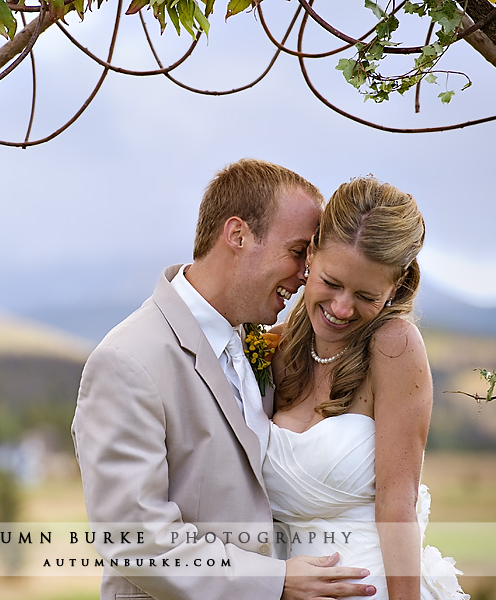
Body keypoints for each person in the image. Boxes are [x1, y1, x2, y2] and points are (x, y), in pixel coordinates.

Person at [71, 159, 377, 600]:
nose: (306, 274)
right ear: (238, 235)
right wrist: (275, 581)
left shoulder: (258, 344)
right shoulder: (128, 361)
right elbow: (136, 540)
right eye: (297, 252)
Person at [264, 176, 469, 600]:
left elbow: (397, 506)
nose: (341, 308)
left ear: (395, 287)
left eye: (365, 295)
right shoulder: (273, 350)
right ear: (311, 252)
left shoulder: (393, 346)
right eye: (332, 282)